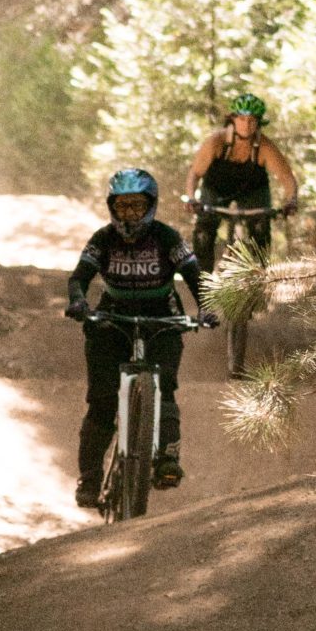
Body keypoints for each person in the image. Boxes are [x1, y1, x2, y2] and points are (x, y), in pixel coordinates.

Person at [64, 169, 209, 507]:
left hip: (162, 316)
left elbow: (195, 277)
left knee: (167, 384)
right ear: (112, 208)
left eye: (137, 206)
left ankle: (167, 456)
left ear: (151, 206)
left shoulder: (167, 238)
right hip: (111, 318)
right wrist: (78, 301)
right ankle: (89, 478)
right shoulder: (102, 239)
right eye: (123, 206)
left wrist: (207, 308)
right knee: (101, 400)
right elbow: (79, 278)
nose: (129, 214)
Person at [184, 93, 301, 270]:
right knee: (203, 232)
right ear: (233, 119)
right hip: (216, 189)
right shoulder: (216, 142)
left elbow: (287, 178)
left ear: (259, 123)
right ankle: (202, 283)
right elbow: (195, 173)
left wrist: (291, 201)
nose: (246, 125)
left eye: (252, 120)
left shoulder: (265, 146)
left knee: (261, 230)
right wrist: (192, 198)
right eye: (242, 119)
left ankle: (259, 280)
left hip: (253, 190)